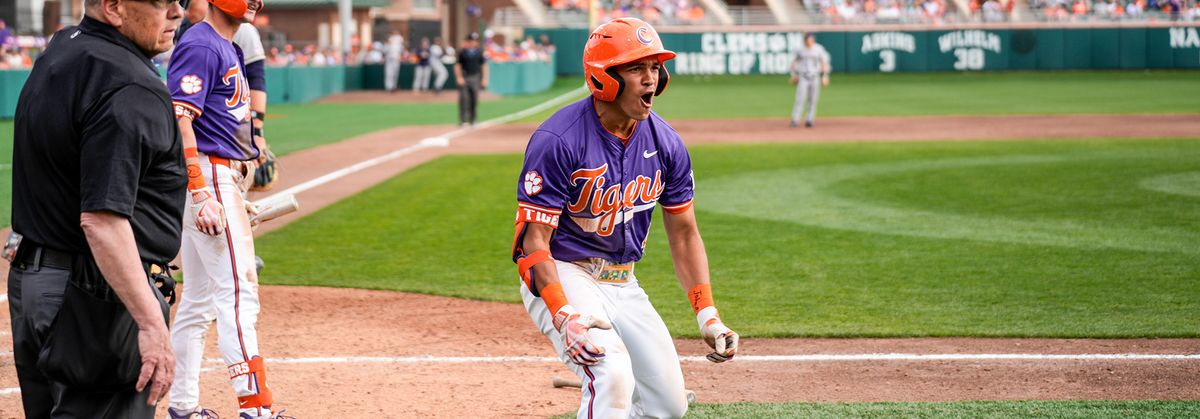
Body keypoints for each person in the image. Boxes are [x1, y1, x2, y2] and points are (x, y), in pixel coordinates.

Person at [511, 18, 739, 419]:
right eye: (636, 68)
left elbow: (684, 234)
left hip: (624, 281)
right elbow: (534, 242)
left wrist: (708, 314)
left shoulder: (666, 143)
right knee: (611, 371)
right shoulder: (558, 140)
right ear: (604, 78)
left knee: (667, 406)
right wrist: (564, 315)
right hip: (565, 272)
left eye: (655, 68)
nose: (651, 79)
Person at [8, 0, 184, 415]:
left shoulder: (62, 48)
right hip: (93, 292)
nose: (177, 12)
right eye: (162, 2)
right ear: (114, 7)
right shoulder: (129, 84)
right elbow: (102, 220)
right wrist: (150, 323)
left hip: (35, 280)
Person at [165, 0, 290, 417]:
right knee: (238, 295)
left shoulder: (228, 44)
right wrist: (203, 191)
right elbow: (180, 118)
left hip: (221, 177)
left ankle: (183, 406)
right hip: (209, 176)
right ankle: (256, 408)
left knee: (199, 300)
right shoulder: (201, 44)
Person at [789, 32, 830, 128]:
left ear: (813, 40)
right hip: (803, 76)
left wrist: (825, 76)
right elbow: (793, 63)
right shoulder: (800, 49)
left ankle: (809, 120)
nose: (808, 42)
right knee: (800, 99)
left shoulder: (818, 49)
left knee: (813, 100)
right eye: (807, 40)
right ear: (804, 41)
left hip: (815, 76)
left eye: (810, 40)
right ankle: (795, 120)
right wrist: (794, 75)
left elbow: (824, 63)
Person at [455, 32, 487, 126]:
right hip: (465, 76)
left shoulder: (479, 52)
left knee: (474, 99)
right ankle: (464, 120)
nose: (474, 42)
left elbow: (484, 65)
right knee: (464, 99)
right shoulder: (463, 52)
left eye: (475, 41)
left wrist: (484, 78)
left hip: (475, 77)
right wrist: (459, 77)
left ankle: (473, 120)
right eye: (472, 40)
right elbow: (457, 65)